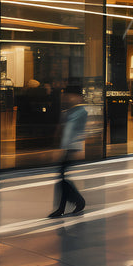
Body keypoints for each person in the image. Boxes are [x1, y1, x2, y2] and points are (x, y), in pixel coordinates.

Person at [47, 86, 87, 218]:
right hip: (68, 147)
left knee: (62, 178)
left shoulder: (80, 112)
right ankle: (66, 205)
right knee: (62, 178)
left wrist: (63, 149)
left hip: (72, 148)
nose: (68, 98)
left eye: (71, 95)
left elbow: (73, 131)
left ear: (78, 97)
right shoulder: (70, 111)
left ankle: (76, 201)